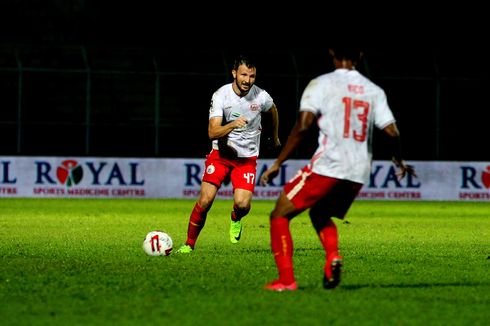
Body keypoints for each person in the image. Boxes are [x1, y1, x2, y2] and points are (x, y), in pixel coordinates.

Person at [260, 47, 416, 291]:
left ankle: (286, 280)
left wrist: (278, 163)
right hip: (358, 170)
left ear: (332, 53)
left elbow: (302, 126)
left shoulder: (321, 84)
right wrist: (398, 159)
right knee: (320, 214)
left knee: (279, 214)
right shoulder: (374, 90)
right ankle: (333, 256)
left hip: (329, 164)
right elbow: (392, 132)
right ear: (360, 57)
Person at [176, 54, 281, 253]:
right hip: (221, 155)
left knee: (242, 205)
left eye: (251, 76)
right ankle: (189, 244)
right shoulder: (221, 95)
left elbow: (273, 110)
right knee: (205, 200)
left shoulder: (261, 96)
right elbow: (212, 132)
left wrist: (274, 136)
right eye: (243, 75)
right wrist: (233, 124)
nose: (247, 80)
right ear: (234, 73)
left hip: (246, 158)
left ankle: (236, 217)